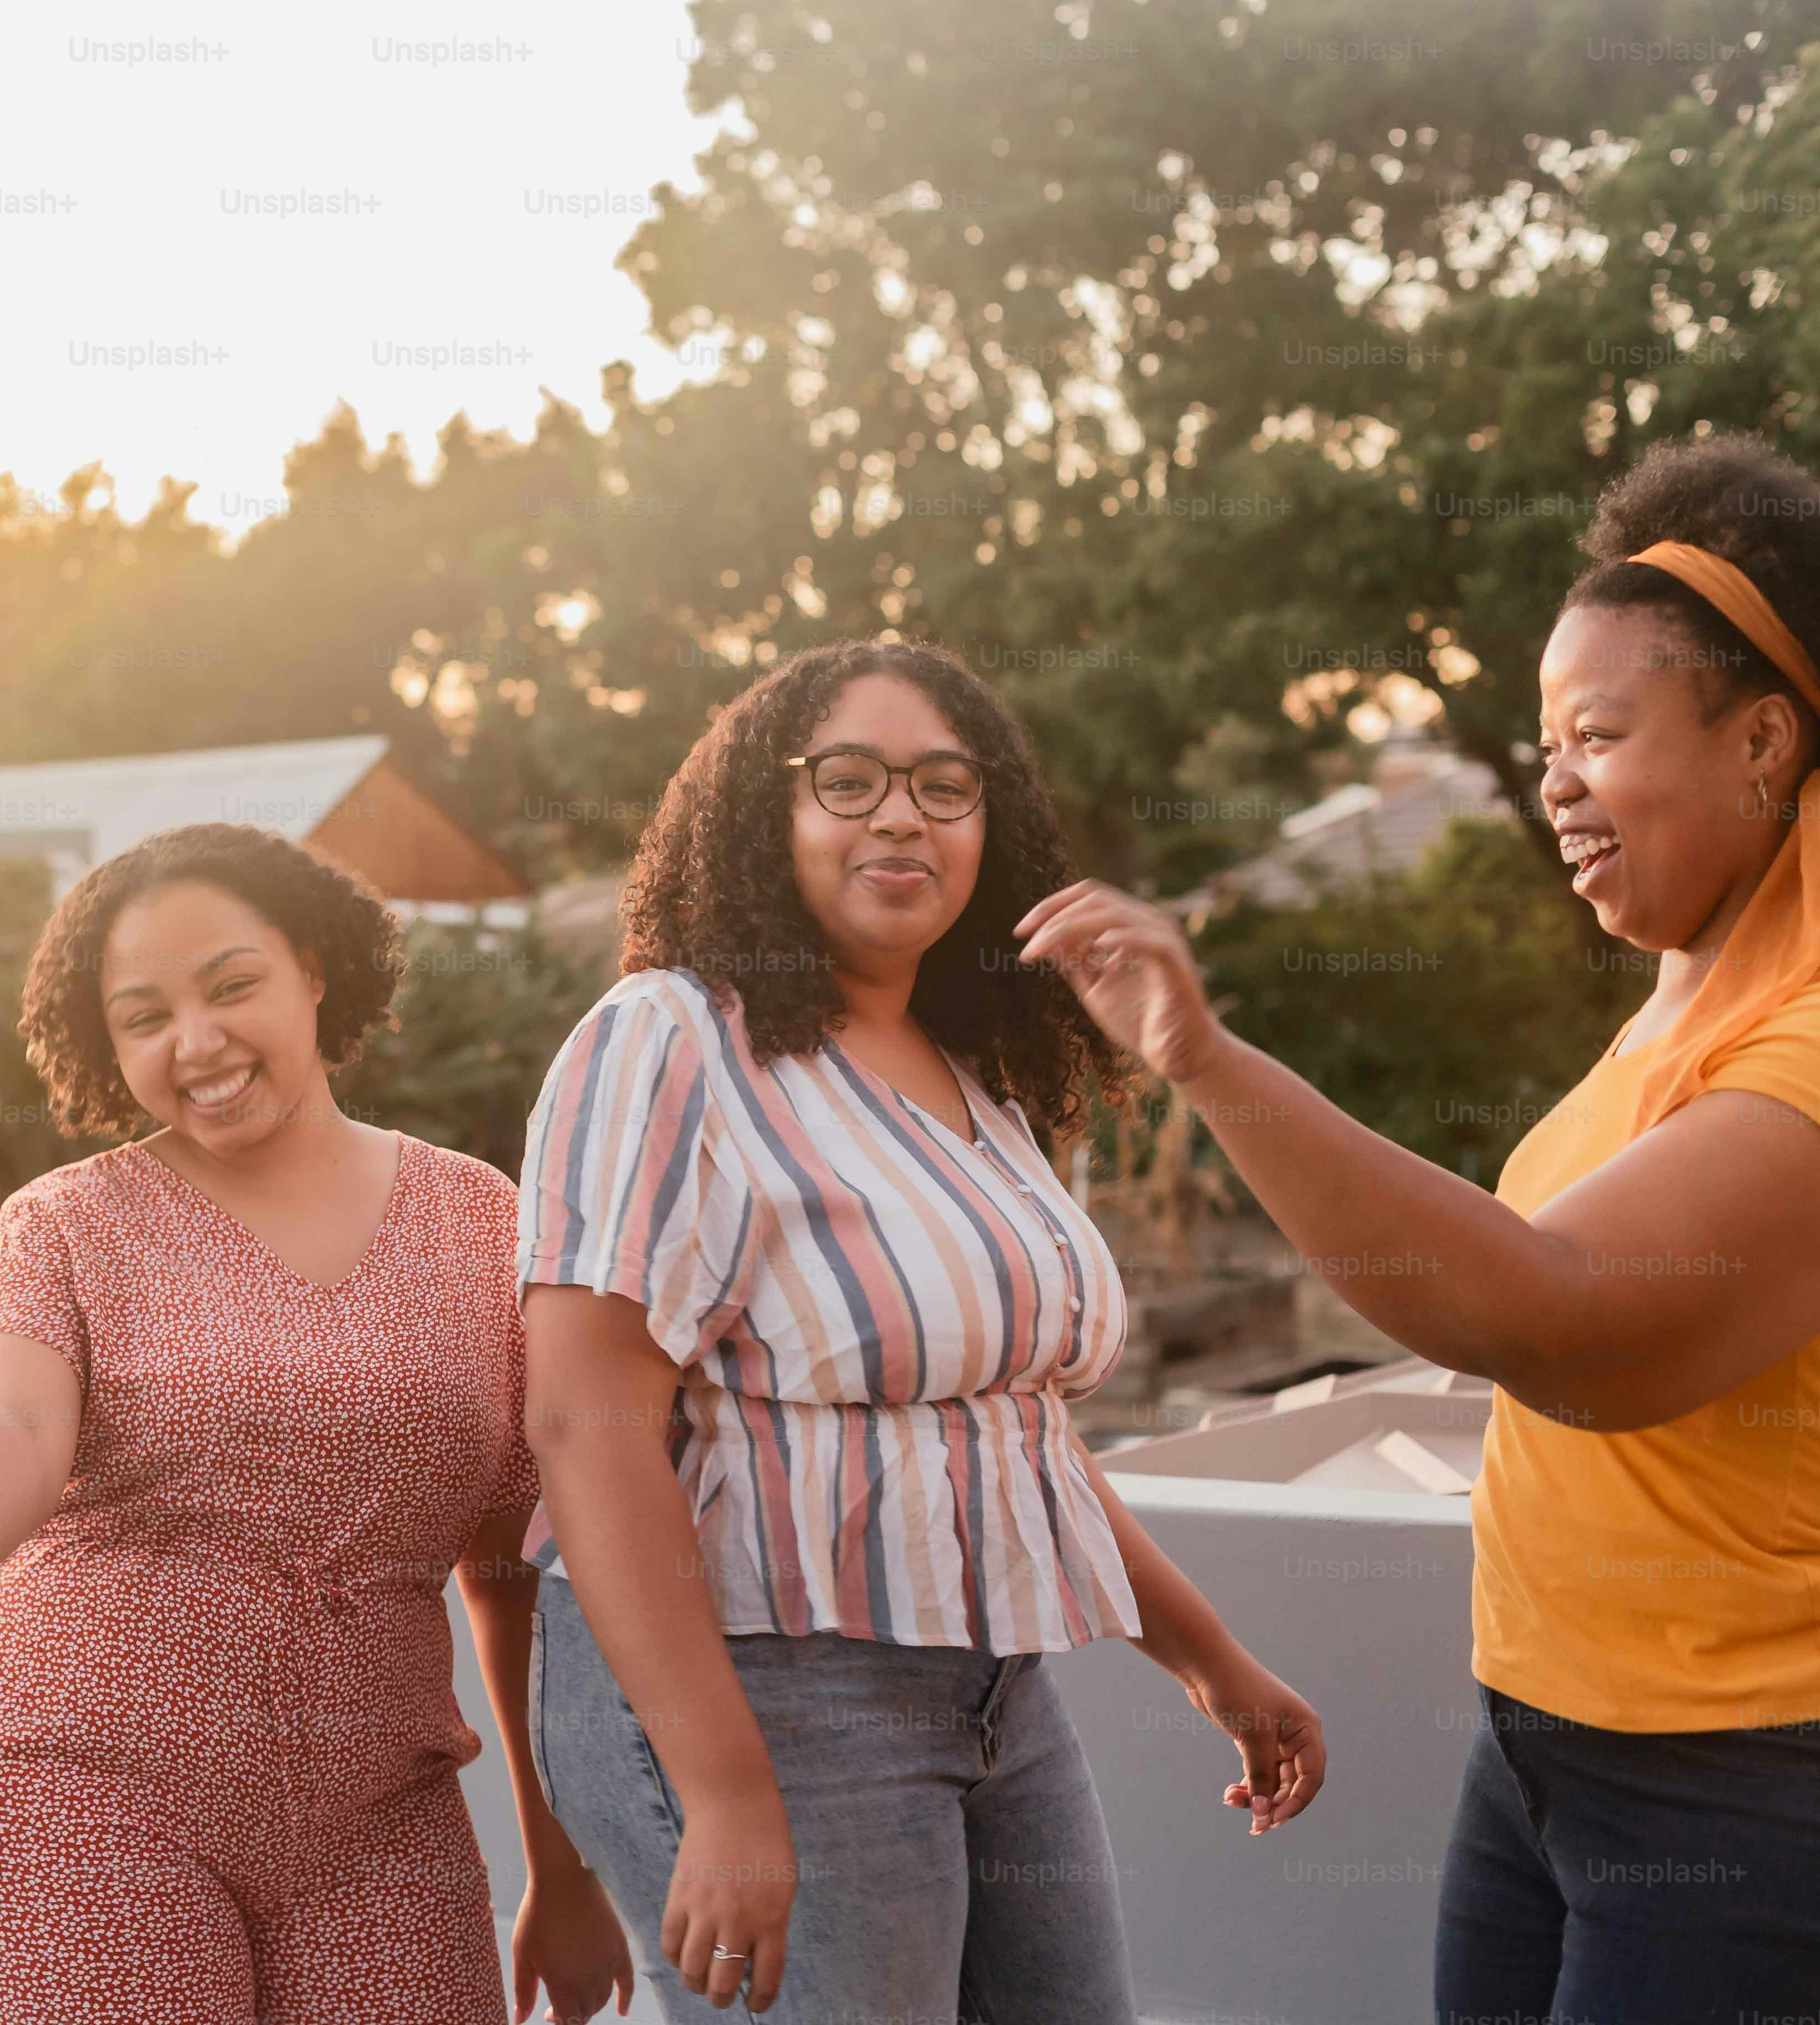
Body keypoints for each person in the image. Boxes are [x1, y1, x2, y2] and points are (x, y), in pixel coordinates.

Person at [1014, 432, 1820, 2022]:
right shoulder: (1686, 997)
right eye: (1542, 748)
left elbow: (1561, 1318)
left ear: (1764, 741)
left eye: (1600, 732)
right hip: (1539, 1747)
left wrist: (1208, 1060)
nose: (1559, 784)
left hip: (1739, 1790)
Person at [521, 641, 1325, 2023]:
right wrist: (718, 1793)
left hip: (991, 1687)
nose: (902, 815)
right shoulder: (668, 1039)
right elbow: (582, 1427)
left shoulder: (971, 1076)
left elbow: (1009, 1436)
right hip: (760, 1689)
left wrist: (1212, 1661)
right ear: (762, 819)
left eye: (945, 787)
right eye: (849, 781)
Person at [0, 822, 632, 2025]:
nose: (196, 1043)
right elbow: (6, 1416)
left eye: (232, 987)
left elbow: (512, 1575)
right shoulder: (65, 1227)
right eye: (144, 1016)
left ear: (314, 968)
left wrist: (562, 1869)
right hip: (68, 1796)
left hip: (380, 1831)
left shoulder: (483, 1221)